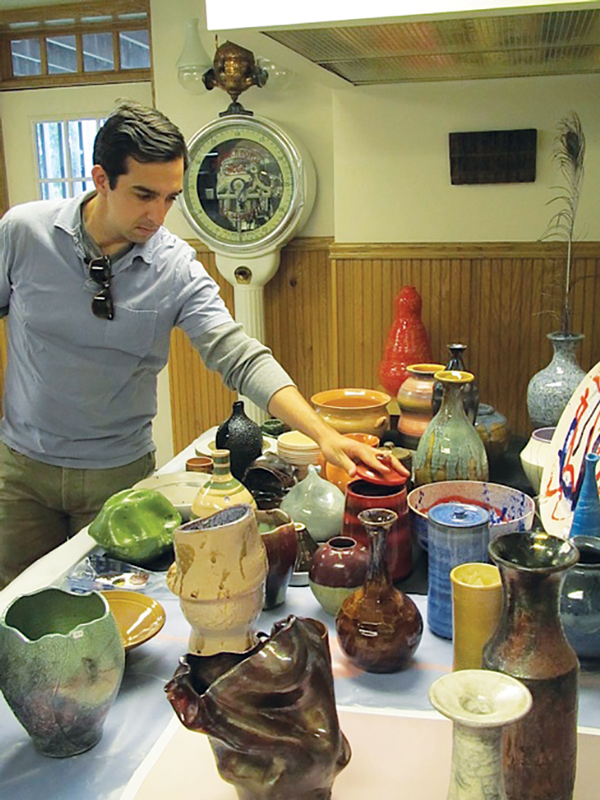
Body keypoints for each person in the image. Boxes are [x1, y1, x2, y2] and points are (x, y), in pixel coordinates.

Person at [0, 100, 405, 588]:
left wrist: (324, 434)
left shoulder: (174, 265)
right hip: (20, 473)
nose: (158, 215)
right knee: (16, 603)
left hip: (117, 478)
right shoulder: (23, 233)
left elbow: (237, 353)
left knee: (110, 604)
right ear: (101, 178)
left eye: (170, 198)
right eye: (144, 195)